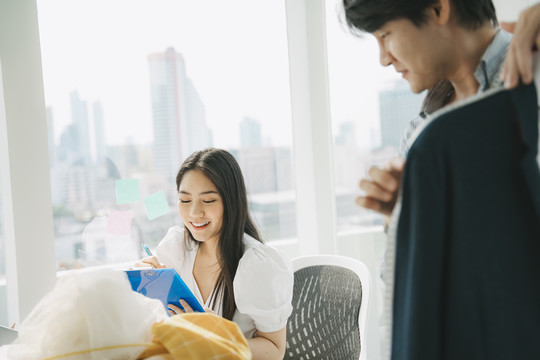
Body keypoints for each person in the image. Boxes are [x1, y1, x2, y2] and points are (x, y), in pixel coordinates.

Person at [354, 0, 540, 222]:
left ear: (438, 9)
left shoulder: (533, 72)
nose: (383, 59)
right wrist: (405, 222)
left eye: (385, 35)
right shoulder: (418, 136)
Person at [138, 148, 293, 360]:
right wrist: (151, 289)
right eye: (185, 200)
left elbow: (275, 351)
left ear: (231, 201)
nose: (194, 213)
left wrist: (217, 332)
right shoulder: (176, 249)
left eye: (208, 200)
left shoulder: (257, 265)